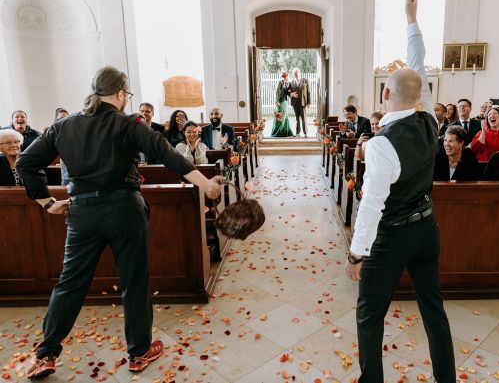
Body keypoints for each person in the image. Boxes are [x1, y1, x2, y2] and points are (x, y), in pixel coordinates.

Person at [16, 66, 226, 379]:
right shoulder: (128, 123)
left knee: (70, 284)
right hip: (124, 210)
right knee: (134, 281)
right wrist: (205, 183)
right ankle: (139, 352)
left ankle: (46, 353)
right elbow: (165, 152)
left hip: (82, 214)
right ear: (119, 94)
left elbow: (25, 162)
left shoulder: (63, 125)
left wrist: (47, 203)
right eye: (126, 94)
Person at [346, 0, 455, 383]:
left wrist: (357, 254)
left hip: (392, 236)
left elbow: (372, 204)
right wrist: (412, 18)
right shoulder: (430, 121)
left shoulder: (380, 145)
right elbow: (417, 62)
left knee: (369, 314)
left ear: (385, 94)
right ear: (420, 94)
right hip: (427, 230)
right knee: (433, 311)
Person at [289, 68, 311, 137]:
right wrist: (291, 94)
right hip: (295, 103)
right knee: (297, 119)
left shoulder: (305, 80)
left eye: (296, 73)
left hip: (303, 103)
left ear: (299, 73)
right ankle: (297, 133)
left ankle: (305, 133)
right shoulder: (291, 82)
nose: (295, 75)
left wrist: (309, 102)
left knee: (303, 118)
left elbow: (308, 92)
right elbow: (288, 91)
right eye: (294, 74)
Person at [271, 72, 294, 137]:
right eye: (287, 76)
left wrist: (291, 94)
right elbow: (277, 92)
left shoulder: (288, 83)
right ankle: (278, 132)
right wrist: (277, 101)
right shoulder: (280, 82)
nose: (287, 77)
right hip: (280, 102)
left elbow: (288, 93)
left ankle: (286, 132)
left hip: (285, 102)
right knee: (280, 116)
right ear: (285, 76)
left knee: (285, 115)